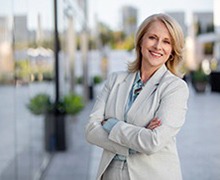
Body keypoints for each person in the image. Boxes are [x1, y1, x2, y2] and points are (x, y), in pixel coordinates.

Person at [85, 13, 189, 180]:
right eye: (152, 38)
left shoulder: (175, 88)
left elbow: (153, 142)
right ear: (141, 41)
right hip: (110, 173)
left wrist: (112, 125)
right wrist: (138, 139)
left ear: (171, 51)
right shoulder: (115, 80)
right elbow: (91, 130)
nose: (158, 46)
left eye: (166, 41)